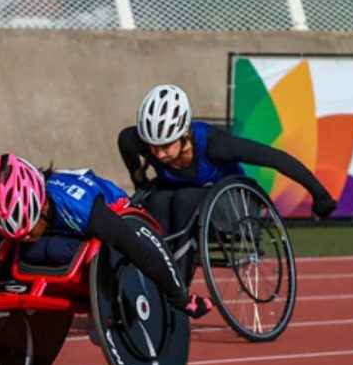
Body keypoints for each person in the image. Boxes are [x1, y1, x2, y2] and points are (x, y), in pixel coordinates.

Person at [117, 84, 337, 276]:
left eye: (166, 146)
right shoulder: (139, 141)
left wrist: (320, 195)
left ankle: (177, 288)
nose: (159, 154)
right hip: (182, 203)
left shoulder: (215, 145)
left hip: (230, 206)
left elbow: (276, 159)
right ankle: (156, 272)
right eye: (153, 147)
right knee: (156, 201)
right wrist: (140, 183)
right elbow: (124, 141)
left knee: (184, 198)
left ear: (184, 134)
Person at [0, 153, 213, 319]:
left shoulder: (83, 208)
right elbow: (10, 246)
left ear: (42, 205)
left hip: (120, 227)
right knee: (24, 248)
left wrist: (181, 298)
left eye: (28, 229)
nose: (23, 238)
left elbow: (139, 248)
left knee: (80, 252)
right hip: (72, 234)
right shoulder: (12, 217)